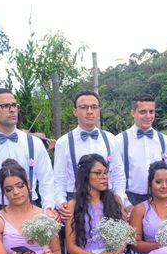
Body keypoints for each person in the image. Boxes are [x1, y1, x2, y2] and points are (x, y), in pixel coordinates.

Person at [0, 88, 56, 216]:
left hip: (31, 209)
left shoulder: (34, 143)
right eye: (5, 106)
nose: (13, 110)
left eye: (14, 105)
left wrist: (48, 207)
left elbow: (47, 179)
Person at [55, 90, 129, 221]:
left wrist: (120, 199)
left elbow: (118, 173)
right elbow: (59, 179)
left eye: (94, 107)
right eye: (84, 107)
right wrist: (61, 203)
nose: (89, 111)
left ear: (99, 110)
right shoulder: (64, 142)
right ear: (75, 111)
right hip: (76, 200)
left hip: (107, 200)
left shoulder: (111, 139)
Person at [115, 94, 167, 206]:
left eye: (151, 112)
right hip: (130, 198)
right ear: (133, 113)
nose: (148, 116)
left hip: (160, 198)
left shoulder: (165, 140)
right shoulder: (120, 140)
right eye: (143, 112)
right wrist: (125, 204)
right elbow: (116, 175)